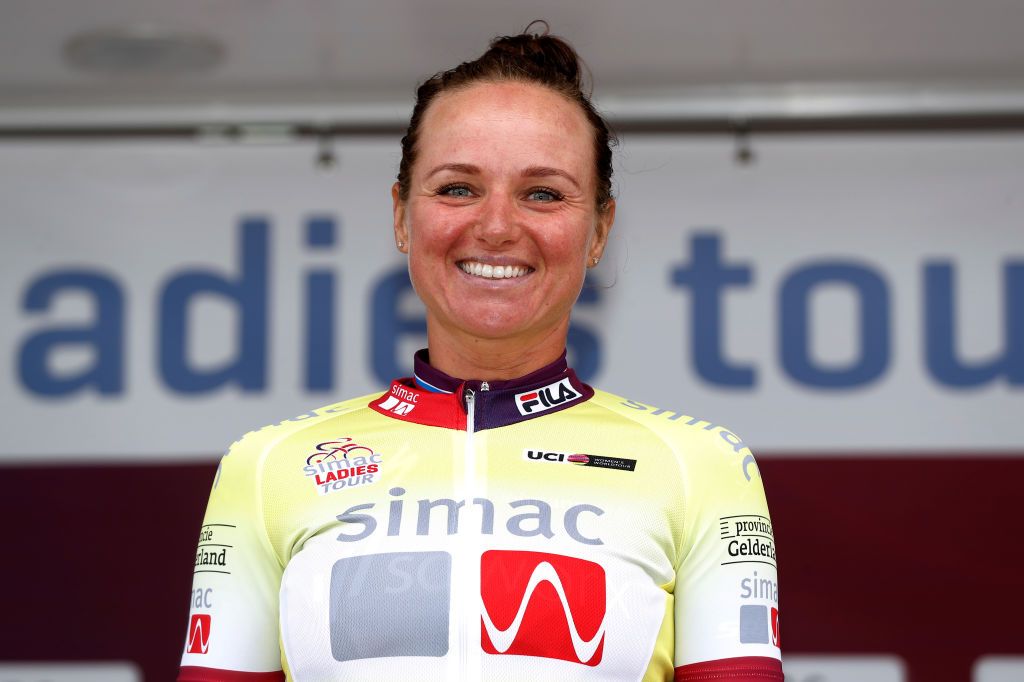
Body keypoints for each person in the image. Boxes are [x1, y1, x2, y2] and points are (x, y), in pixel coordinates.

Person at [179, 25, 782, 682]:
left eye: (543, 193)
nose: (496, 227)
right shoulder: (266, 467)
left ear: (600, 229)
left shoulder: (701, 468)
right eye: (458, 188)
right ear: (403, 218)